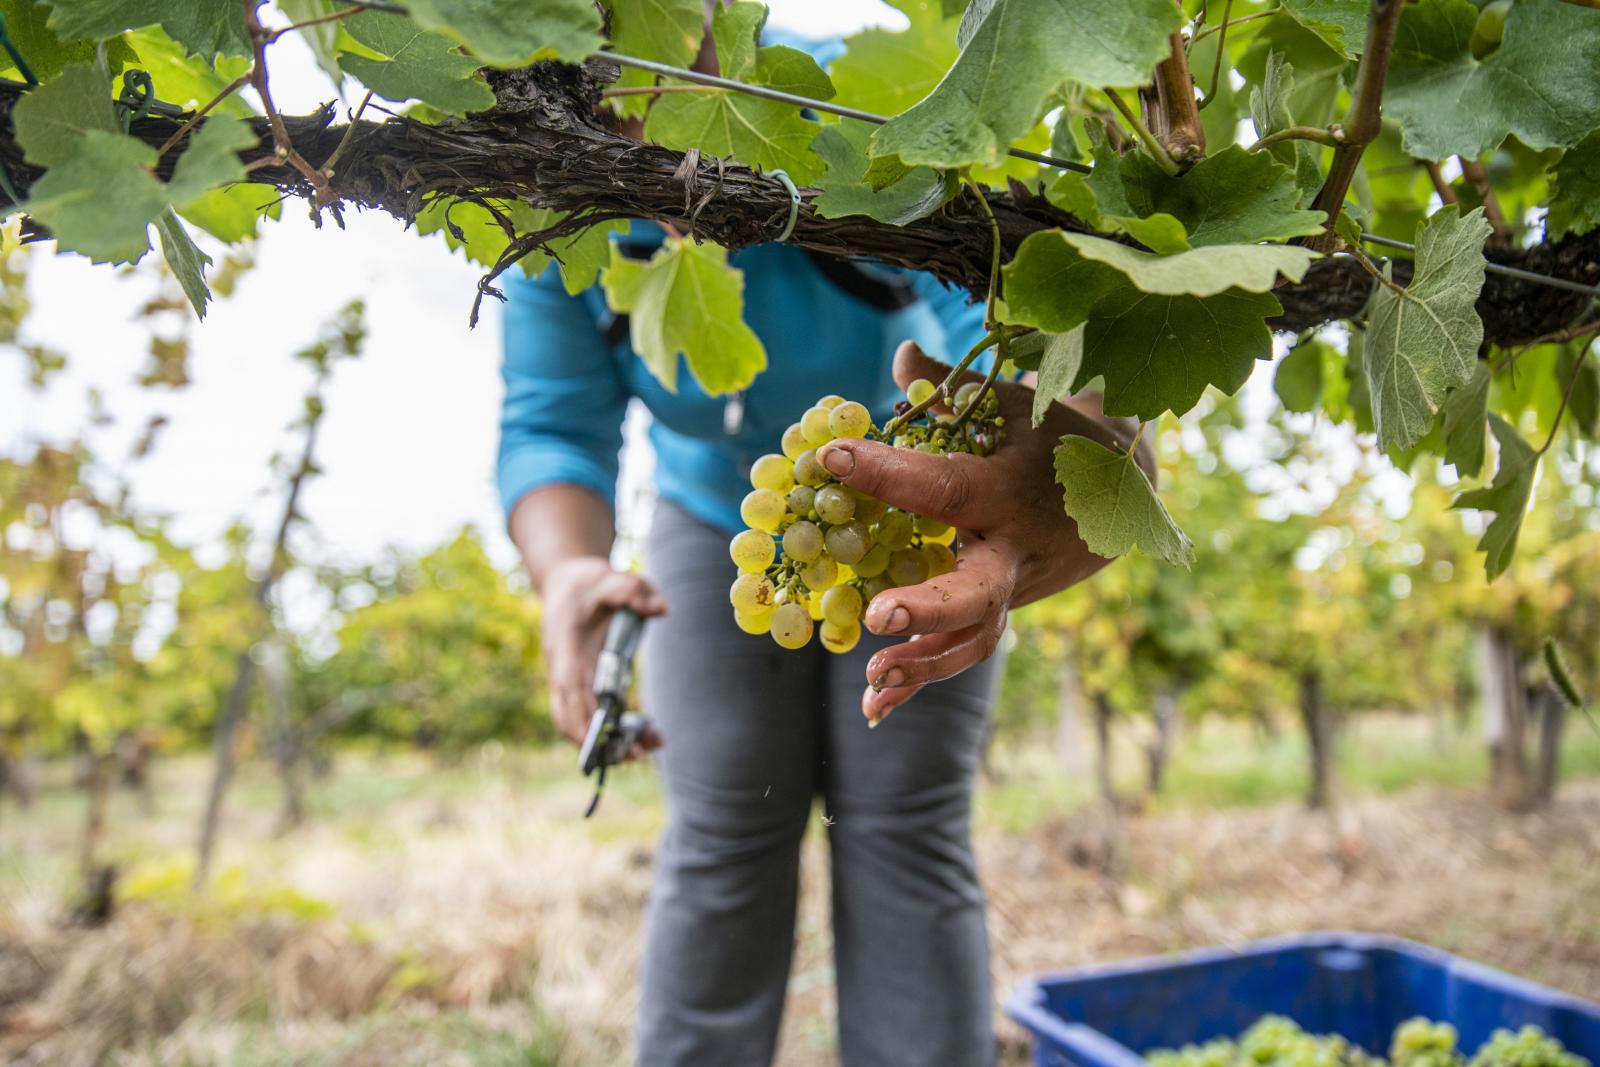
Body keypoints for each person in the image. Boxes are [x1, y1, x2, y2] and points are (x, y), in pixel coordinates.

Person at [497, 21, 1148, 1067]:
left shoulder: (865, 104)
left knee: (906, 827)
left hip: (903, 512)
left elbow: (1007, 299)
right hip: (718, 521)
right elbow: (550, 418)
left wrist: (1077, 449)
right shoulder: (546, 167)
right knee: (720, 840)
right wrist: (568, 567)